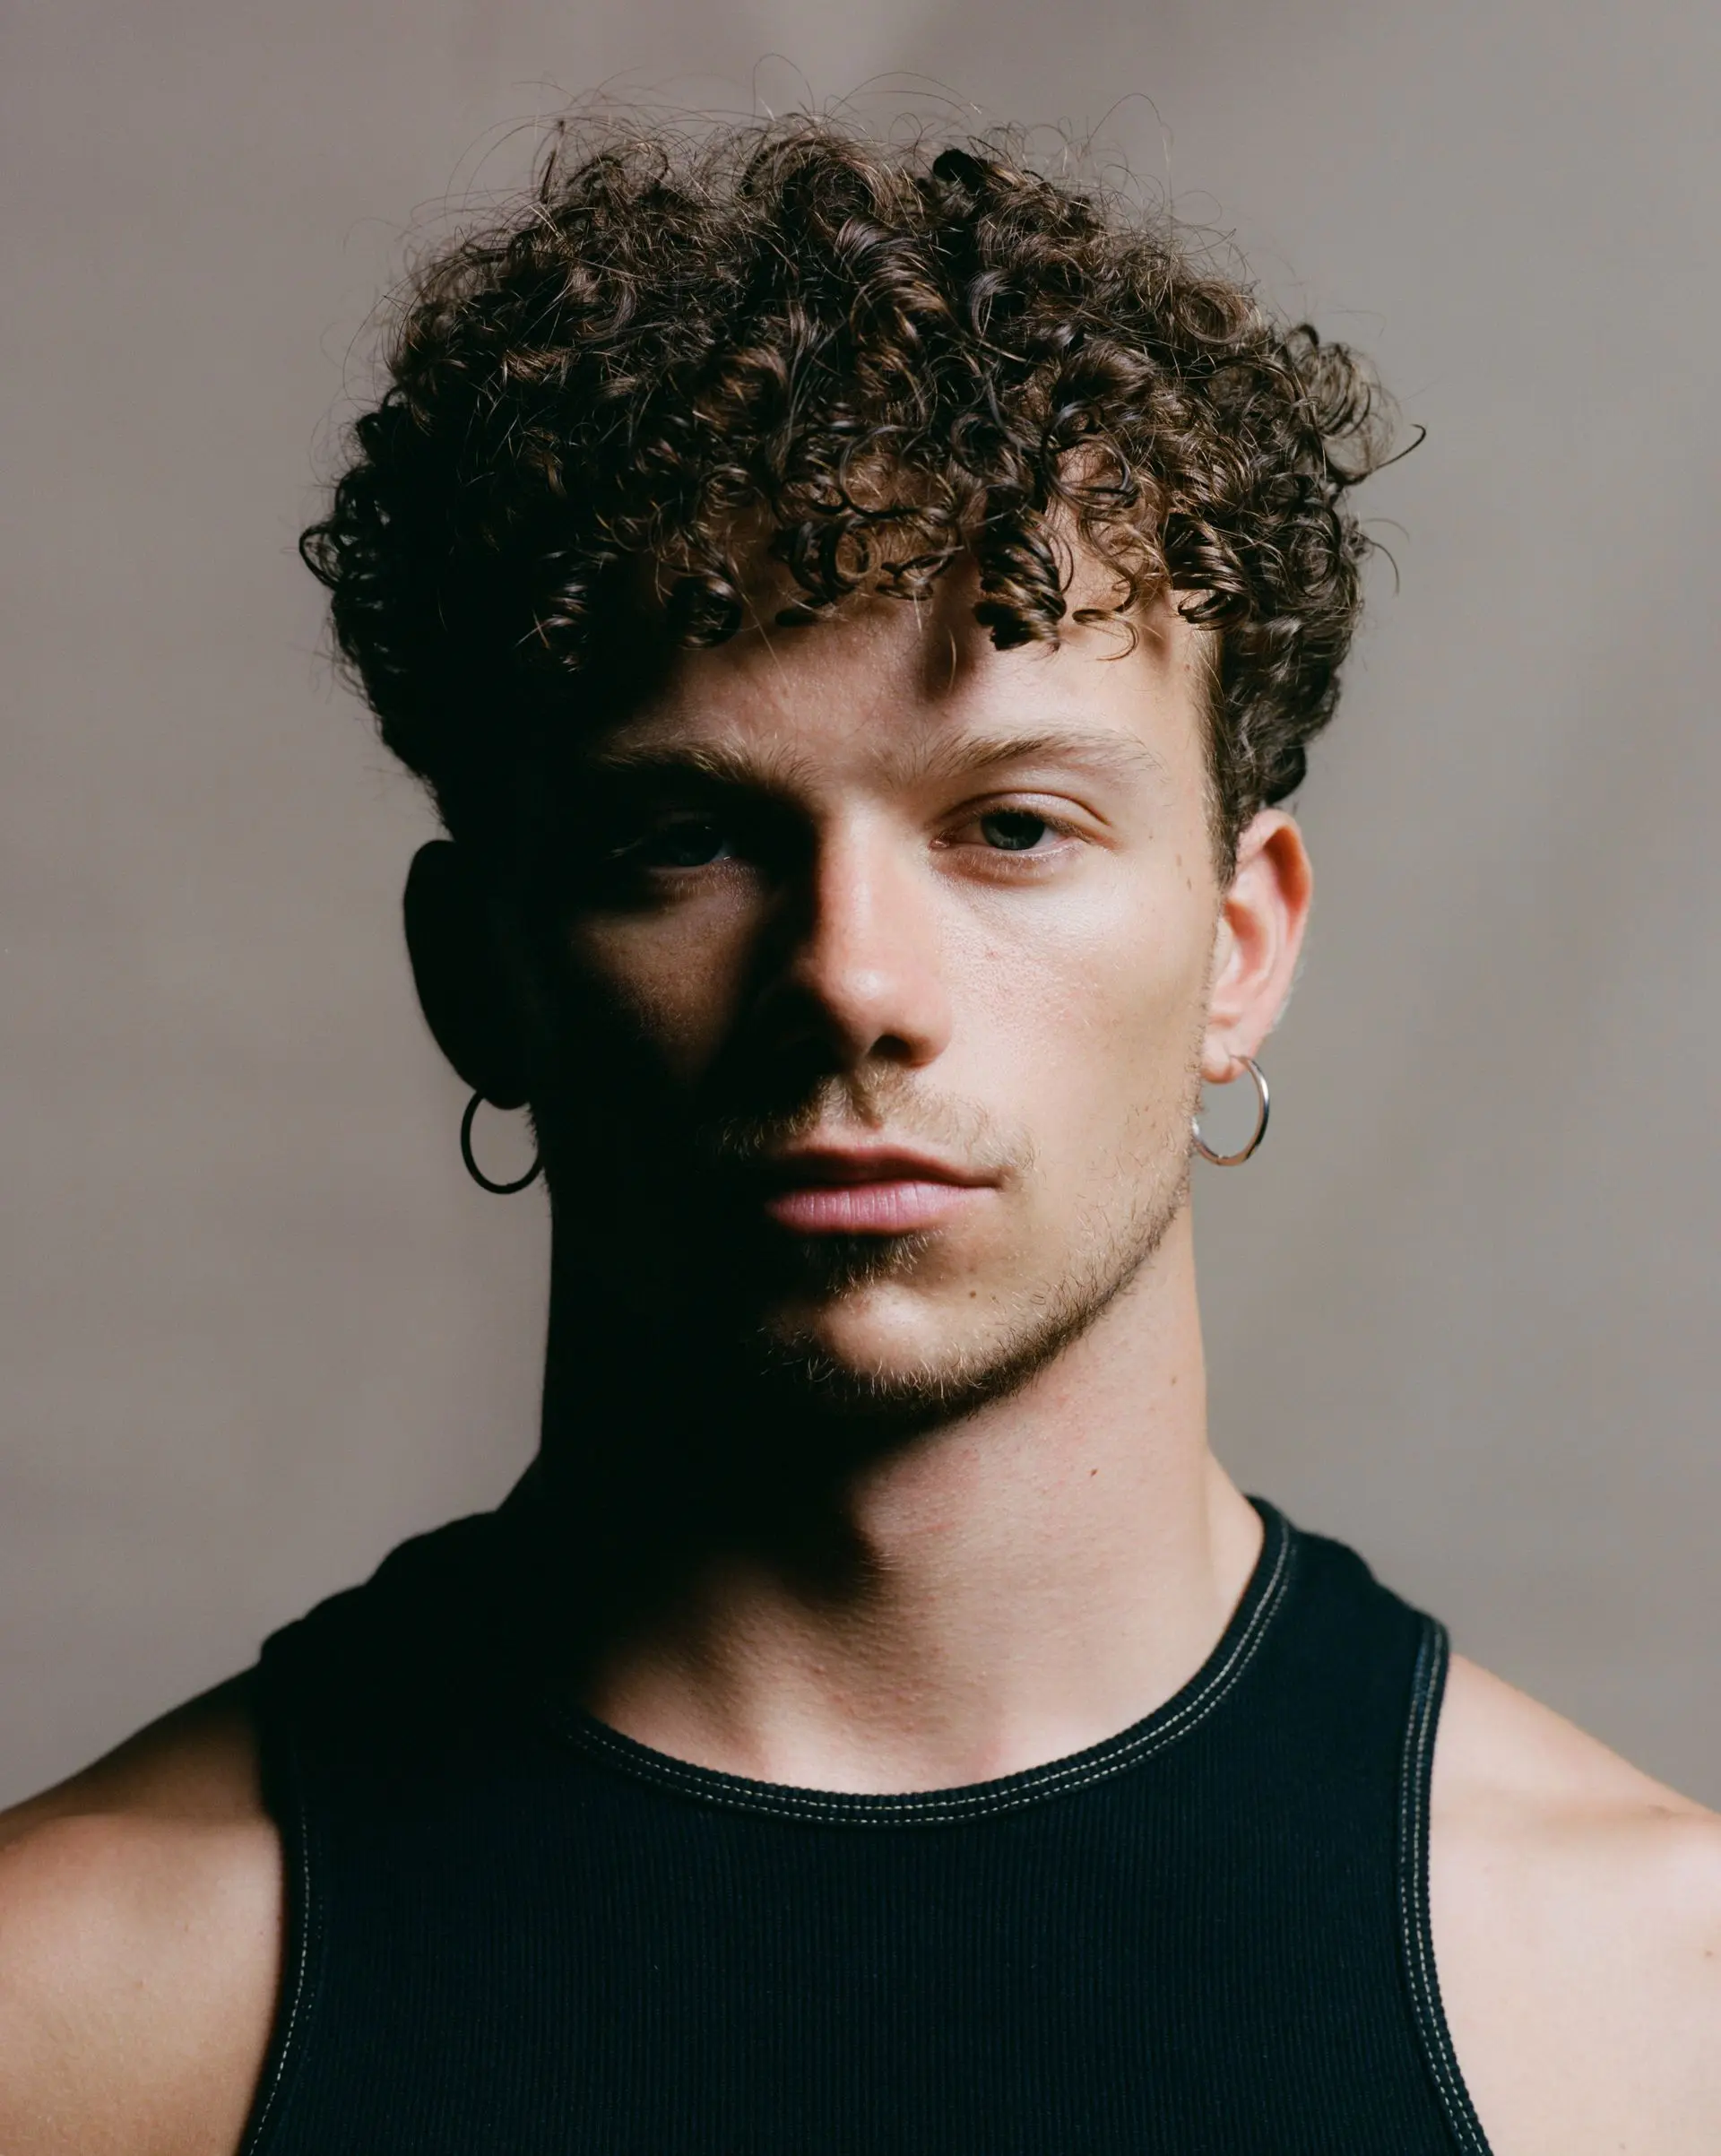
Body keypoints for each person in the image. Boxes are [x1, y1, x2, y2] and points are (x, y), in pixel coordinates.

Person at [0, 117, 1716, 2156]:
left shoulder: (1646, 2015)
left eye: (1011, 826)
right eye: (682, 838)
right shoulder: (72, 2010)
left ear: (1241, 946)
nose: (852, 979)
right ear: (480, 974)